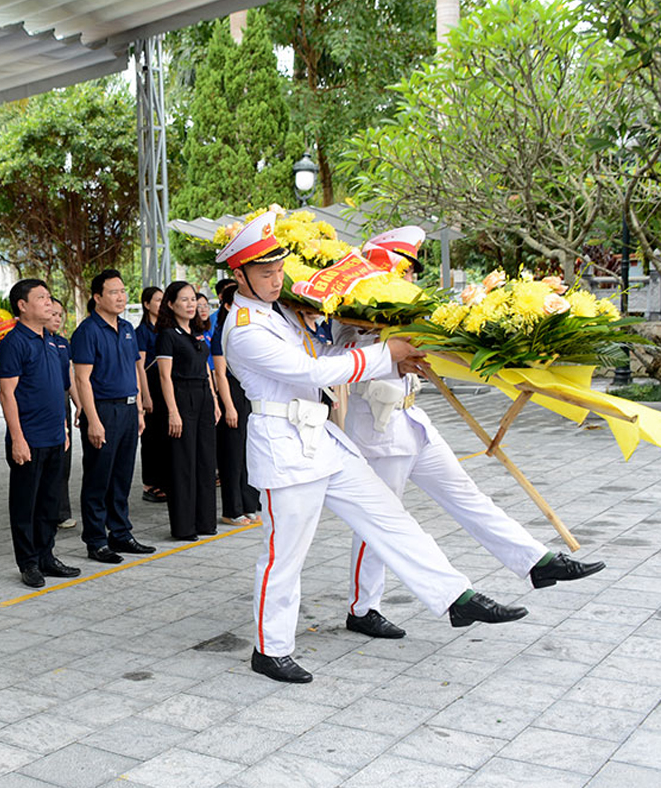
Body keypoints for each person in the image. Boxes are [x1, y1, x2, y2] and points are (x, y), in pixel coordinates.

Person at [217, 212, 529, 684]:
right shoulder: (243, 329)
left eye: (279, 270)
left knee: (390, 517)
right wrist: (389, 353)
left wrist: (393, 367)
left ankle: (456, 598)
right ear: (239, 276)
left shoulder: (281, 312)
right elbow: (315, 374)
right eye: (265, 273)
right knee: (285, 555)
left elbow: (327, 356)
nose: (277, 279)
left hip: (321, 438)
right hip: (284, 447)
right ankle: (270, 648)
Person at [335, 230, 605, 639]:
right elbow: (340, 360)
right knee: (382, 524)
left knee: (470, 497)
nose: (406, 277)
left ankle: (535, 561)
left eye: (408, 271)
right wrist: (392, 352)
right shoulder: (350, 314)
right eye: (400, 268)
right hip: (377, 429)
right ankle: (363, 607)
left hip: (413, 422)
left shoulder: (406, 310)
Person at [0, 279, 81, 588]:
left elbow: (59, 389)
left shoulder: (52, 342)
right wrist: (17, 438)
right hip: (28, 440)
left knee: (49, 502)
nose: (49, 303)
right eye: (41, 298)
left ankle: (47, 555)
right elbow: (8, 394)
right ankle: (28, 562)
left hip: (55, 436)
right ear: (22, 305)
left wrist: (63, 426)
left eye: (48, 297)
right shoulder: (13, 343)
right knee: (25, 504)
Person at [72, 269, 156, 564]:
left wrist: (139, 408)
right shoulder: (87, 331)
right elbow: (82, 380)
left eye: (123, 291)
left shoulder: (128, 328)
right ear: (97, 297)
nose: (121, 297)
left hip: (128, 409)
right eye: (114, 292)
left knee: (121, 476)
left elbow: (135, 367)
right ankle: (96, 540)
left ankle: (120, 532)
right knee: (98, 477)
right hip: (103, 410)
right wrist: (93, 420)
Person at [154, 281, 220, 540]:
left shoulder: (198, 332)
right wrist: (172, 411)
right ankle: (184, 527)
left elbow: (206, 368)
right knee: (184, 463)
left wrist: (214, 400)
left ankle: (205, 522)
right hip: (182, 397)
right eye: (184, 300)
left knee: (205, 460)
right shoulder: (167, 336)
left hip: (204, 395)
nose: (191, 304)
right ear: (171, 304)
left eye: (193, 299)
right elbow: (164, 377)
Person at [212, 283, 262, 527]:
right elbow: (220, 374)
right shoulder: (222, 332)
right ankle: (232, 509)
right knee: (232, 455)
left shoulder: (248, 330)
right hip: (231, 393)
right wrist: (229, 407)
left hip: (249, 391)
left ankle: (250, 504)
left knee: (249, 452)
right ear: (228, 305)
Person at [48, 299, 81, 530]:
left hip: (62, 403)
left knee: (63, 459)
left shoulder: (62, 343)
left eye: (61, 315)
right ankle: (46, 511)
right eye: (54, 314)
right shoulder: (36, 341)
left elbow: (70, 377)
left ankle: (61, 511)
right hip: (44, 406)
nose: (58, 319)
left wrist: (80, 404)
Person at [136, 287, 166, 504]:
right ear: (147, 304)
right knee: (151, 436)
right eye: (157, 300)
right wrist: (145, 396)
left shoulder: (165, 329)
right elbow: (140, 367)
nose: (161, 304)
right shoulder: (142, 332)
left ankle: (163, 479)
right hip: (150, 386)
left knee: (163, 434)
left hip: (166, 387)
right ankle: (150, 483)